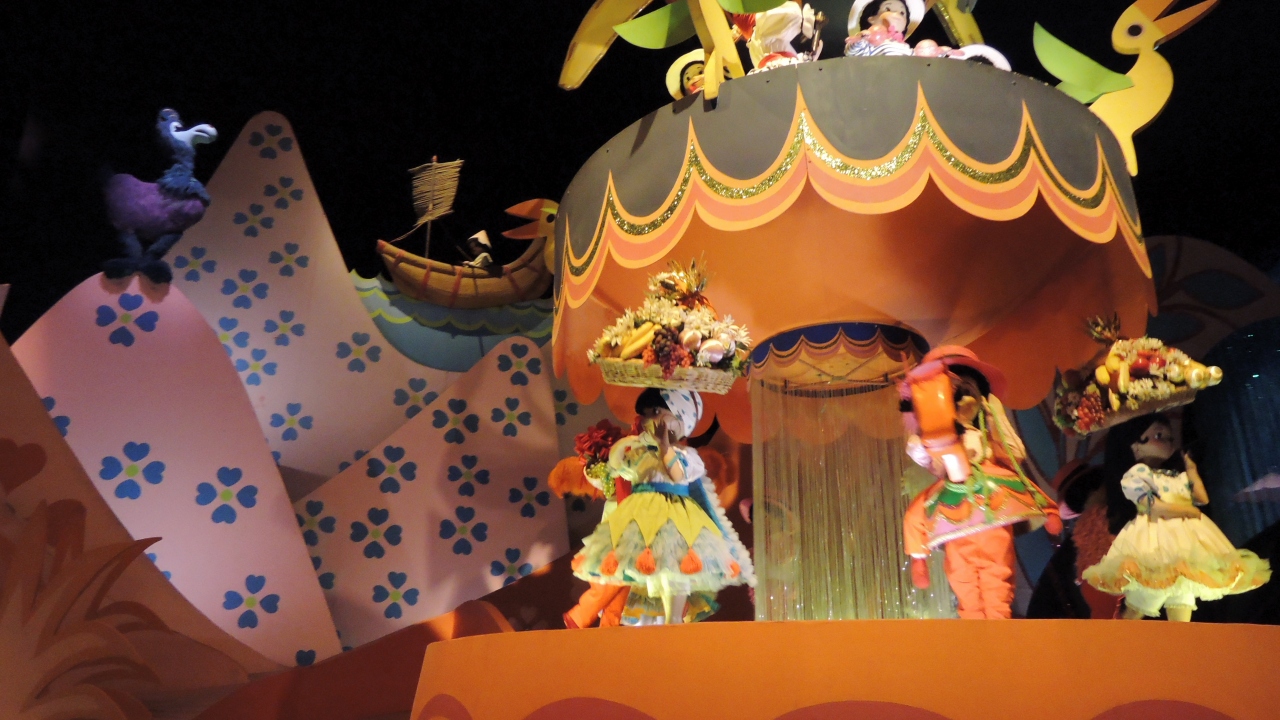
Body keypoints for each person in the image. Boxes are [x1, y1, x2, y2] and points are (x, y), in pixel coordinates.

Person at [900, 346, 1061, 619]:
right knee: (963, 581)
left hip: (991, 513)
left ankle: (997, 629)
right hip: (957, 521)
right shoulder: (937, 484)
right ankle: (976, 628)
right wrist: (918, 559)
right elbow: (916, 514)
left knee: (997, 579)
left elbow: (1017, 473)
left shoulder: (991, 455)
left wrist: (1049, 510)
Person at [572, 388, 754, 625]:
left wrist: (665, 447)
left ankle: (673, 618)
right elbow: (621, 470)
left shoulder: (685, 454)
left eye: (657, 412)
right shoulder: (642, 453)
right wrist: (621, 450)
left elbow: (677, 475)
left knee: (674, 568)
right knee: (651, 571)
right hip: (643, 516)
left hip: (673, 516)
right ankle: (652, 619)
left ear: (681, 418)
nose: (649, 420)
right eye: (646, 414)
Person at [1082, 414, 1270, 621]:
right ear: (1135, 446)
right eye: (1158, 435)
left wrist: (1192, 470)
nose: (1167, 441)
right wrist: (1185, 512)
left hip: (1185, 541)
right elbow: (1153, 507)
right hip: (1155, 540)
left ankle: (1181, 636)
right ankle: (1121, 634)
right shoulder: (1139, 474)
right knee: (1149, 592)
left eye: (1169, 437)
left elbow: (1201, 498)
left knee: (1183, 591)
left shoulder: (1176, 476)